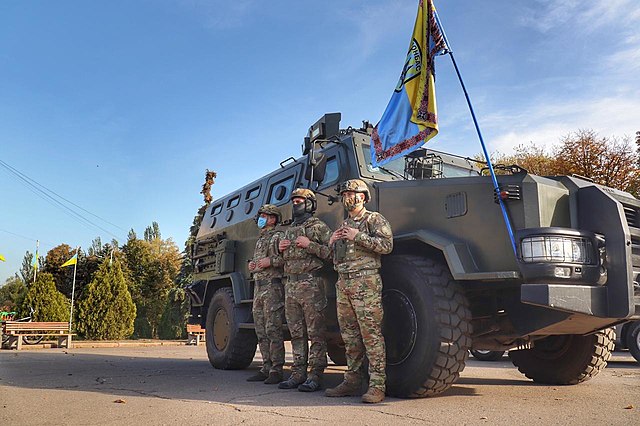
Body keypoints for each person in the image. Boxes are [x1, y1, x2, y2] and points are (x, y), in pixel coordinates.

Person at [325, 179, 393, 404]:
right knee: (350, 337)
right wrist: (332, 243)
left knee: (371, 335)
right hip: (343, 284)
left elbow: (386, 246)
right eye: (344, 194)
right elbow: (336, 258)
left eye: (352, 193)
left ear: (362, 196)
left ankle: (377, 385)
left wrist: (358, 236)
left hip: (366, 283)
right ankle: (352, 381)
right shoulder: (342, 225)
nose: (347, 197)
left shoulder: (373, 219)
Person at [277, 188, 332, 392]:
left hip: (311, 285)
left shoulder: (318, 227)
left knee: (316, 333)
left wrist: (310, 245)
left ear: (309, 203)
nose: (296, 204)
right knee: (296, 333)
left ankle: (315, 375)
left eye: (299, 201)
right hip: (290, 285)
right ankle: (297, 373)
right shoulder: (289, 230)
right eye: (294, 201)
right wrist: (281, 251)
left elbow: (333, 253)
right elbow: (286, 261)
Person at [246, 204, 286, 384]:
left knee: (273, 329)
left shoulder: (278, 236)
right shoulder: (261, 239)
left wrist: (270, 261)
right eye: (260, 215)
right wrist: (252, 266)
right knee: (260, 329)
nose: (260, 218)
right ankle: (266, 366)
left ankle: (276, 370)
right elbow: (258, 263)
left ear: (273, 218)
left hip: (272, 287)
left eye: (264, 215)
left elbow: (287, 258)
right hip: (259, 287)